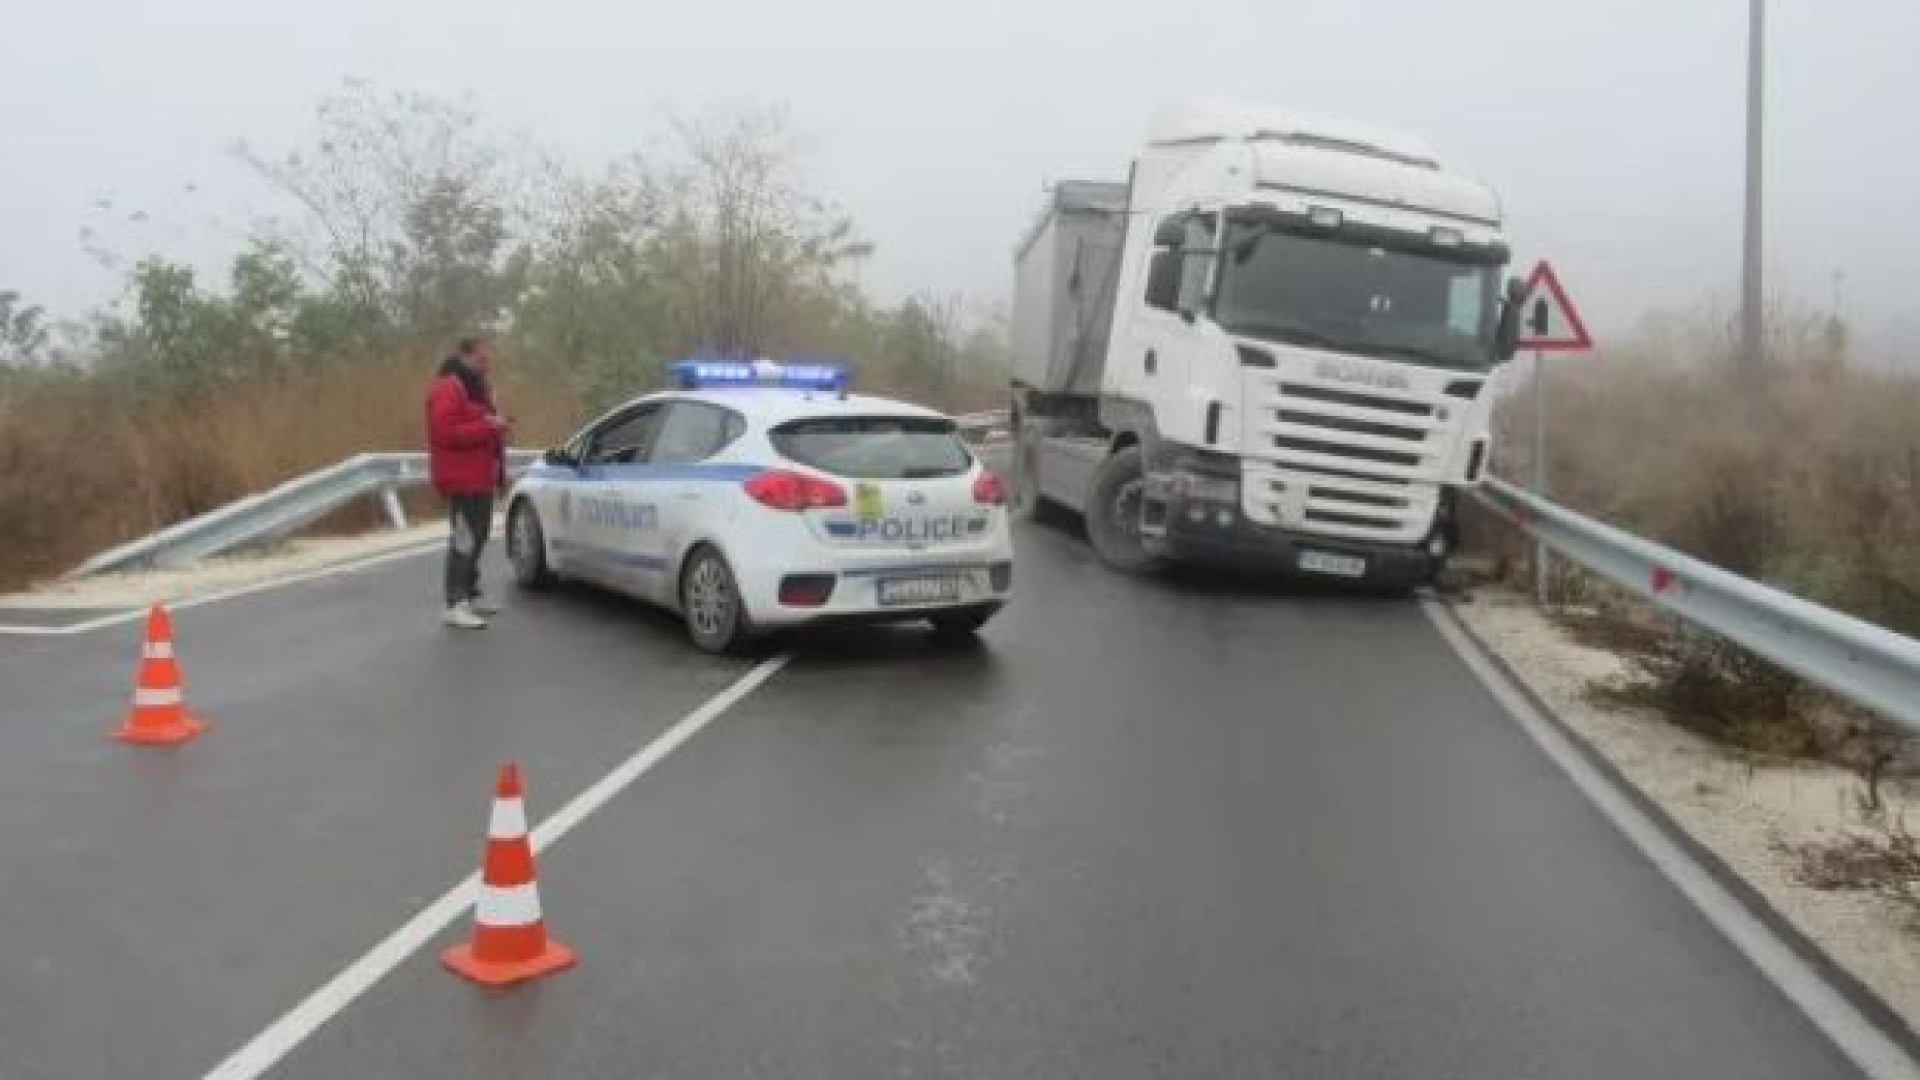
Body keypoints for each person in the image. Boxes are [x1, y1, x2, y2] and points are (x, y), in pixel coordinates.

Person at [425, 336, 511, 628]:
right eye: (482, 358)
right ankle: (454, 602)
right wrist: (487, 425)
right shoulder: (448, 388)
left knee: (480, 534)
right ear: (465, 355)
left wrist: (496, 429)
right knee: (464, 538)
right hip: (460, 478)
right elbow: (445, 432)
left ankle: (471, 593)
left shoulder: (478, 388)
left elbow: (483, 428)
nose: (488, 364)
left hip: (480, 476)